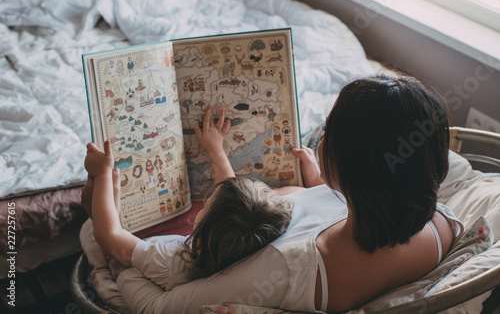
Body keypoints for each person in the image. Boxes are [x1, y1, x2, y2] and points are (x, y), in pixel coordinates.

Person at [84, 74, 464, 314]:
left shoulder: (289, 266)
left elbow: (160, 306)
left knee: (92, 229)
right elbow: (357, 203)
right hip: (291, 207)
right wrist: (318, 183)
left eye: (328, 131)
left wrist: (117, 269)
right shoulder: (439, 223)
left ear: (349, 167)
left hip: (220, 238)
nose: (320, 137)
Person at [83, 106, 293, 289]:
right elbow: (228, 198)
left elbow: (107, 235)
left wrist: (102, 173)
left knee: (89, 224)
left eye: (207, 205)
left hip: (127, 254)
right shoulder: (240, 246)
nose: (208, 200)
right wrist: (216, 149)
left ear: (200, 240)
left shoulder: (167, 263)